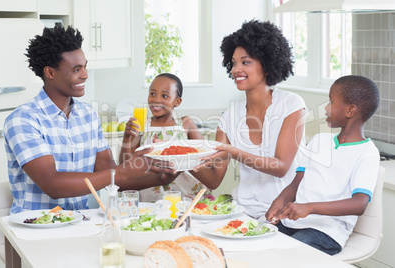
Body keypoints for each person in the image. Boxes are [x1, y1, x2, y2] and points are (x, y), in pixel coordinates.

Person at [3, 26, 178, 214]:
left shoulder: (88, 115)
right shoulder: (23, 120)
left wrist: (163, 178)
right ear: (50, 73)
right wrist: (121, 171)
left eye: (85, 66)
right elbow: (53, 185)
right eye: (76, 69)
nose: (85, 75)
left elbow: (114, 179)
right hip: (33, 229)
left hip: (80, 223)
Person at [192, 20, 307, 219]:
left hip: (286, 214)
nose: (236, 69)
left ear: (268, 66)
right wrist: (181, 161)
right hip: (242, 213)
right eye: (234, 63)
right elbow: (213, 180)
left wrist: (234, 152)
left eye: (245, 62)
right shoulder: (229, 117)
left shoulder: (291, 105)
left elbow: (280, 168)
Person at [265, 75, 380, 255]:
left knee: (287, 255)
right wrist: (279, 201)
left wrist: (309, 207)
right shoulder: (319, 140)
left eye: (331, 102)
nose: (325, 108)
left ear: (350, 110)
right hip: (292, 223)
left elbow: (359, 204)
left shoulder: (367, 153)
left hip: (326, 232)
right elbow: (296, 184)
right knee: (257, 241)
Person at [119, 73, 213, 201]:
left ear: (177, 101)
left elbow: (205, 157)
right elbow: (125, 166)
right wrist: (127, 137)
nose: (156, 100)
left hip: (185, 196)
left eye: (164, 96)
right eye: (152, 94)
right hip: (151, 196)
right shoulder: (141, 124)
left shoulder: (185, 123)